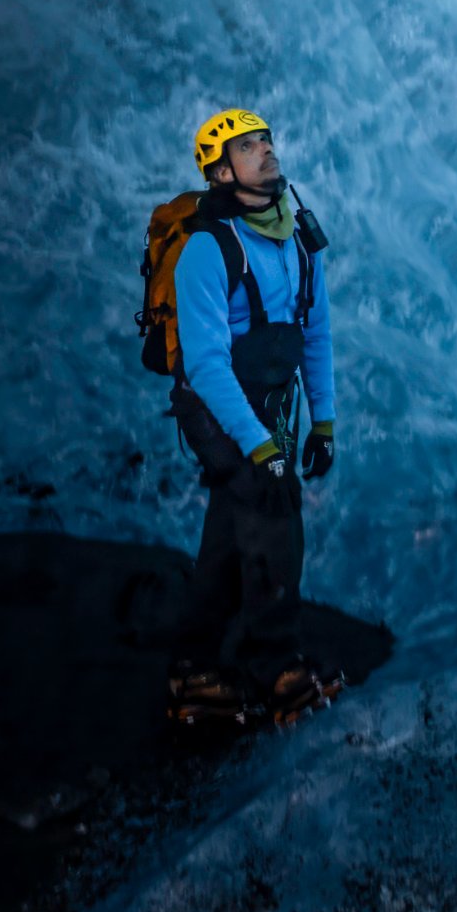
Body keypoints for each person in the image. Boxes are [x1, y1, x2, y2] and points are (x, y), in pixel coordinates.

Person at [165, 107, 338, 725]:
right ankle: (273, 667)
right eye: (246, 147)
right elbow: (208, 366)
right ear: (219, 173)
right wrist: (259, 446)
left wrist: (324, 420)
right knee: (272, 513)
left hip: (268, 407)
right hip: (218, 411)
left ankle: (194, 668)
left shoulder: (297, 238)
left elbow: (313, 333)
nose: (265, 151)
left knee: (230, 532)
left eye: (265, 140)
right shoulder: (206, 252)